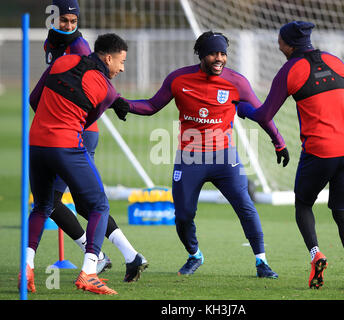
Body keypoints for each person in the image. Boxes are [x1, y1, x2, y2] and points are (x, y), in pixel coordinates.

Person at [122, 31, 290, 278]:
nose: (219, 58)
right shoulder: (179, 79)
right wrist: (121, 103)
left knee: (245, 206)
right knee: (183, 215)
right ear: (201, 55)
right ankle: (195, 255)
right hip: (190, 159)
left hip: (225, 158)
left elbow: (263, 113)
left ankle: (261, 262)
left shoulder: (238, 82)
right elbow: (151, 106)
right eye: (213, 53)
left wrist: (279, 142)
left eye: (223, 53)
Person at [234, 21, 344, 290]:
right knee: (342, 213)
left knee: (303, 205)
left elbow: (264, 115)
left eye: (279, 41)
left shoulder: (290, 70)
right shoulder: (335, 61)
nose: (277, 45)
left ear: (288, 44)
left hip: (319, 152)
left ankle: (316, 254)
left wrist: (242, 109)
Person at [19, 33, 146, 295]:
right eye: (121, 62)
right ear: (108, 57)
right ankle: (90, 271)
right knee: (99, 205)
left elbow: (34, 99)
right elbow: (86, 123)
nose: (122, 68)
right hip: (67, 146)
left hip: (36, 143)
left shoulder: (60, 63)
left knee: (42, 206)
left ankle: (27, 266)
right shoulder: (107, 89)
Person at [41, 0, 148, 281]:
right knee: (84, 204)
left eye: (73, 21)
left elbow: (93, 86)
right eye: (64, 20)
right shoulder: (51, 43)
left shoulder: (79, 48)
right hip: (70, 129)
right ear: (51, 17)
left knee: (50, 201)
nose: (69, 26)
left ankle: (97, 259)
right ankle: (130, 256)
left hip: (77, 130)